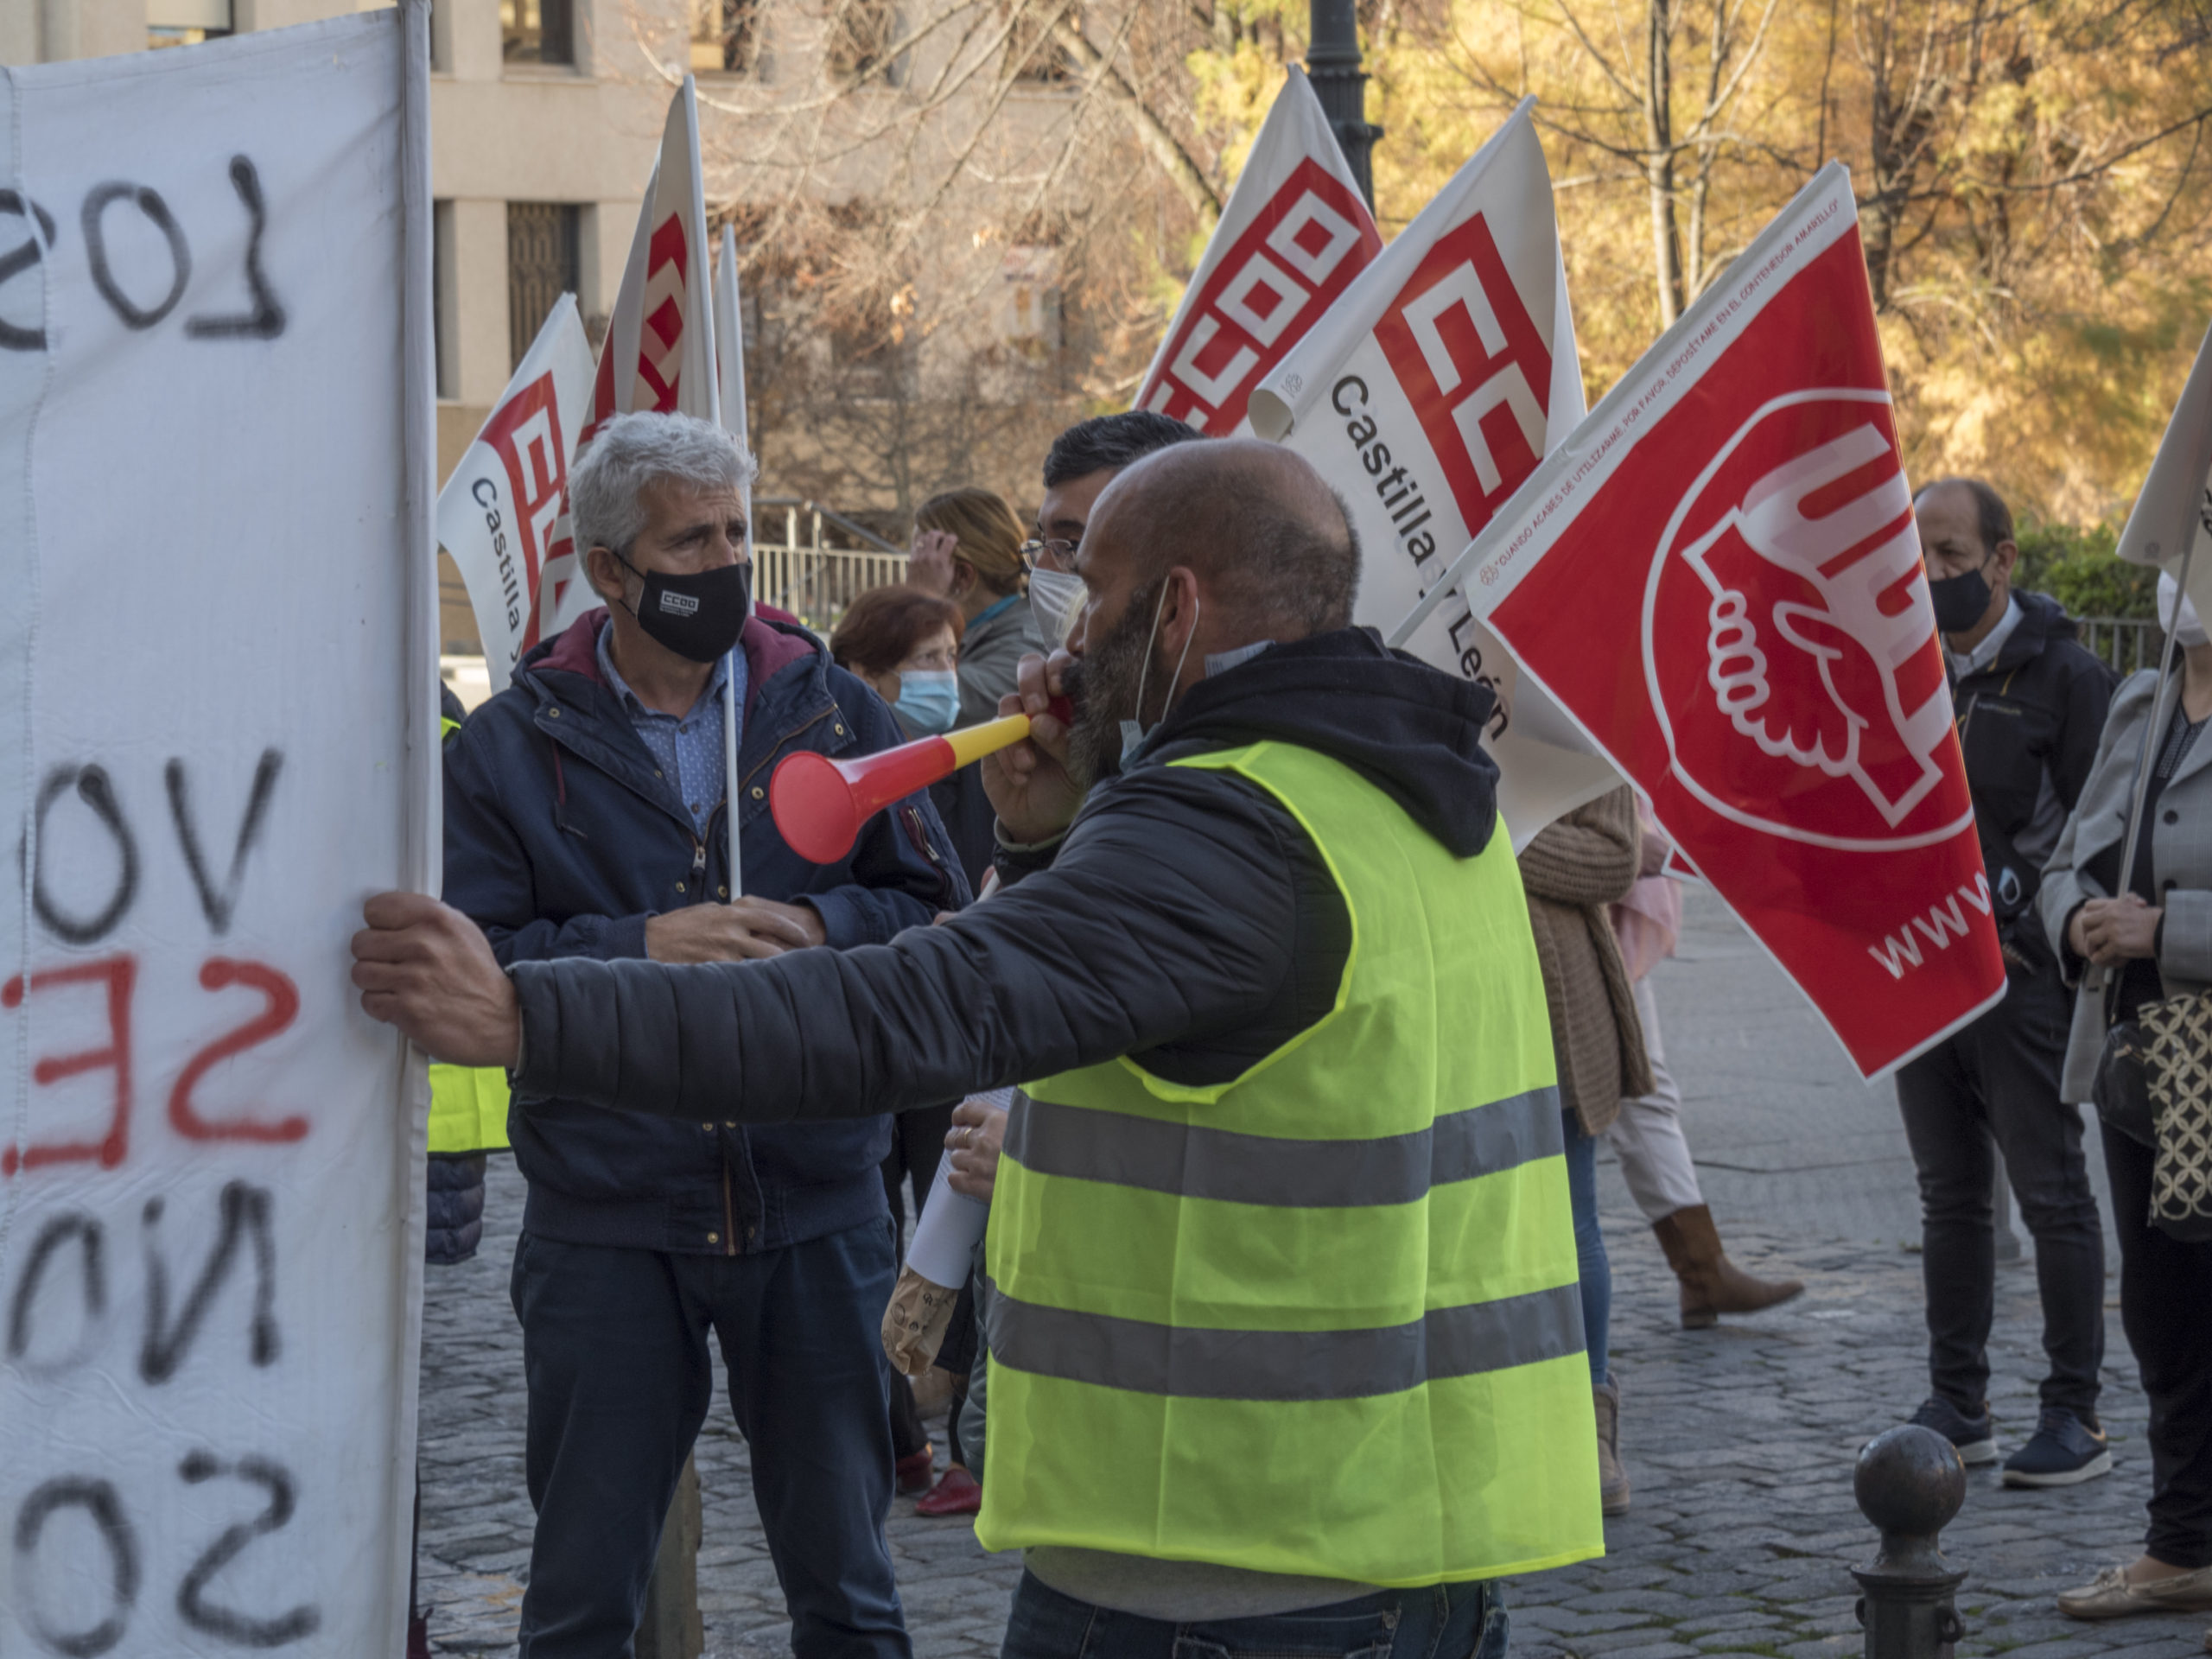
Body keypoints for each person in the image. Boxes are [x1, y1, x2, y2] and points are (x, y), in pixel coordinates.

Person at [356, 437, 1604, 1659]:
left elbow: (907, 1010)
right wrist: (1062, 834)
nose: (1063, 638)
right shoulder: (1403, 785)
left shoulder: (1227, 828)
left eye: (1091, 593)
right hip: (1412, 1534)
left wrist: (533, 1014)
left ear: (1173, 611)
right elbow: (1179, 1016)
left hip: (1230, 1552)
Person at [436, 411, 969, 1659]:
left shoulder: (834, 710)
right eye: (691, 542)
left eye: (738, 531)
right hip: (608, 1216)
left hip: (817, 1202)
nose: (726, 562)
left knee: (849, 1595)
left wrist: (813, 920)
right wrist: (640, 947)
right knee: (579, 1603)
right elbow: (471, 962)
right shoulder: (513, 746)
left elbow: (932, 910)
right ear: (609, 569)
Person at [1897, 478, 2116, 1486]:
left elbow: (2099, 829)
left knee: (2051, 1194)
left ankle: (2075, 1414)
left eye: (1949, 556)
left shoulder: (2067, 677)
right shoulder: (1905, 668)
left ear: (2002, 560)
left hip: (2021, 979)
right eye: (1920, 556)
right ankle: (1959, 1399)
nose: (1932, 575)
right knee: (1949, 1197)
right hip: (1923, 974)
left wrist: (2036, 929)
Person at [2044, 570, 2212, 1623]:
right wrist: (2077, 922)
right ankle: (2183, 1540)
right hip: (2140, 1058)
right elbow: (2070, 855)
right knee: (2160, 1306)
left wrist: (2174, 931)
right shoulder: (2142, 704)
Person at [827, 582, 973, 1492]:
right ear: (866, 676)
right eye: (926, 663)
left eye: (952, 659)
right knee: (870, 1235)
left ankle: (951, 1423)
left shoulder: (973, 756)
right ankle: (891, 1427)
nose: (945, 680)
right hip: (873, 1040)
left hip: (954, 1038)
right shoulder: (837, 762)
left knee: (953, 1230)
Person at [1610, 813, 1804, 1328]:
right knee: (1621, 1097)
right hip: (1582, 905)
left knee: (1644, 1090)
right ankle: (1701, 1273)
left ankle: (1702, 1272)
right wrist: (1625, 844)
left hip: (1607, 894)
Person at [1519, 785, 1652, 1519]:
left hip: (1559, 1004)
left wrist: (1493, 833)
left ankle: (1588, 1425)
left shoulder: (1571, 710)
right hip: (1446, 990)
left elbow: (1613, 860)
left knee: (1573, 1225)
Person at [906, 486, 1046, 728]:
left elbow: (917, 703)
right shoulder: (973, 629)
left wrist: (921, 601)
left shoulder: (1025, 652)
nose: (909, 577)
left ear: (963, 576)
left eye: (921, 566)